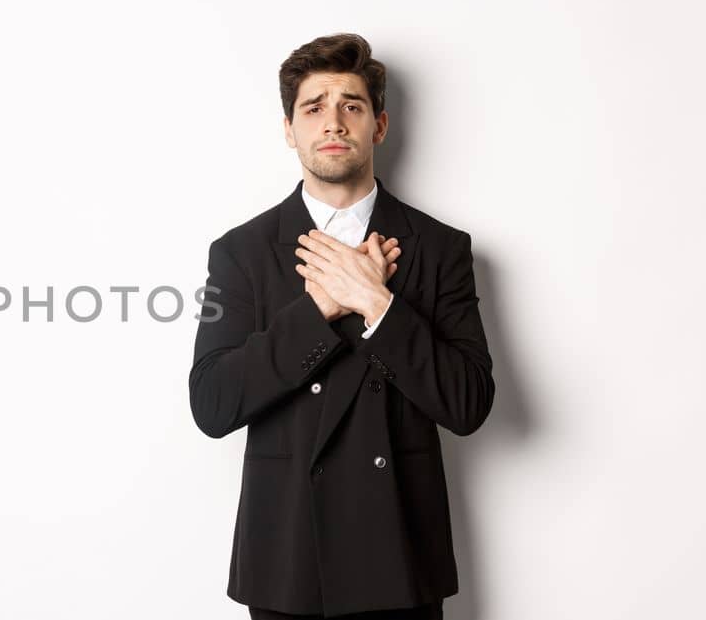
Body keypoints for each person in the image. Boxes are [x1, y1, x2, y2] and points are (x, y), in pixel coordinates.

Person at [187, 33, 496, 619]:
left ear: (378, 126)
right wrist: (318, 310)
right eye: (314, 107)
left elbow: (469, 404)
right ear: (289, 129)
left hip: (400, 560)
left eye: (351, 105)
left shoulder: (439, 247)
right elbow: (212, 404)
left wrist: (378, 306)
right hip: (287, 565)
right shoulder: (241, 252)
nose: (333, 122)